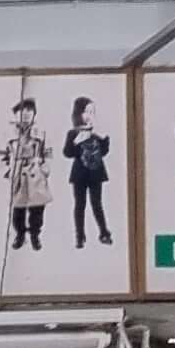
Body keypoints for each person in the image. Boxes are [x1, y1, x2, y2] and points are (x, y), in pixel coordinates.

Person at [1, 96, 51, 253]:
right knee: (18, 209)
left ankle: (35, 235)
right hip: (18, 174)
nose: (26, 114)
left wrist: (44, 168)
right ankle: (20, 234)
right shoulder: (8, 135)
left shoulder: (41, 133)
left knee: (37, 208)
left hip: (36, 173)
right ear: (16, 114)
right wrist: (8, 171)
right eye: (22, 111)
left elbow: (48, 153)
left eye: (30, 111)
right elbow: (2, 155)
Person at [64, 97, 116, 249]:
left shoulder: (96, 132)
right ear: (78, 113)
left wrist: (104, 139)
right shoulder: (73, 133)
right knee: (79, 205)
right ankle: (80, 236)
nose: (89, 115)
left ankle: (104, 232)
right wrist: (77, 141)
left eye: (92, 112)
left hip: (96, 173)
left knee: (97, 204)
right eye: (86, 112)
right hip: (79, 174)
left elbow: (104, 152)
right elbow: (67, 153)